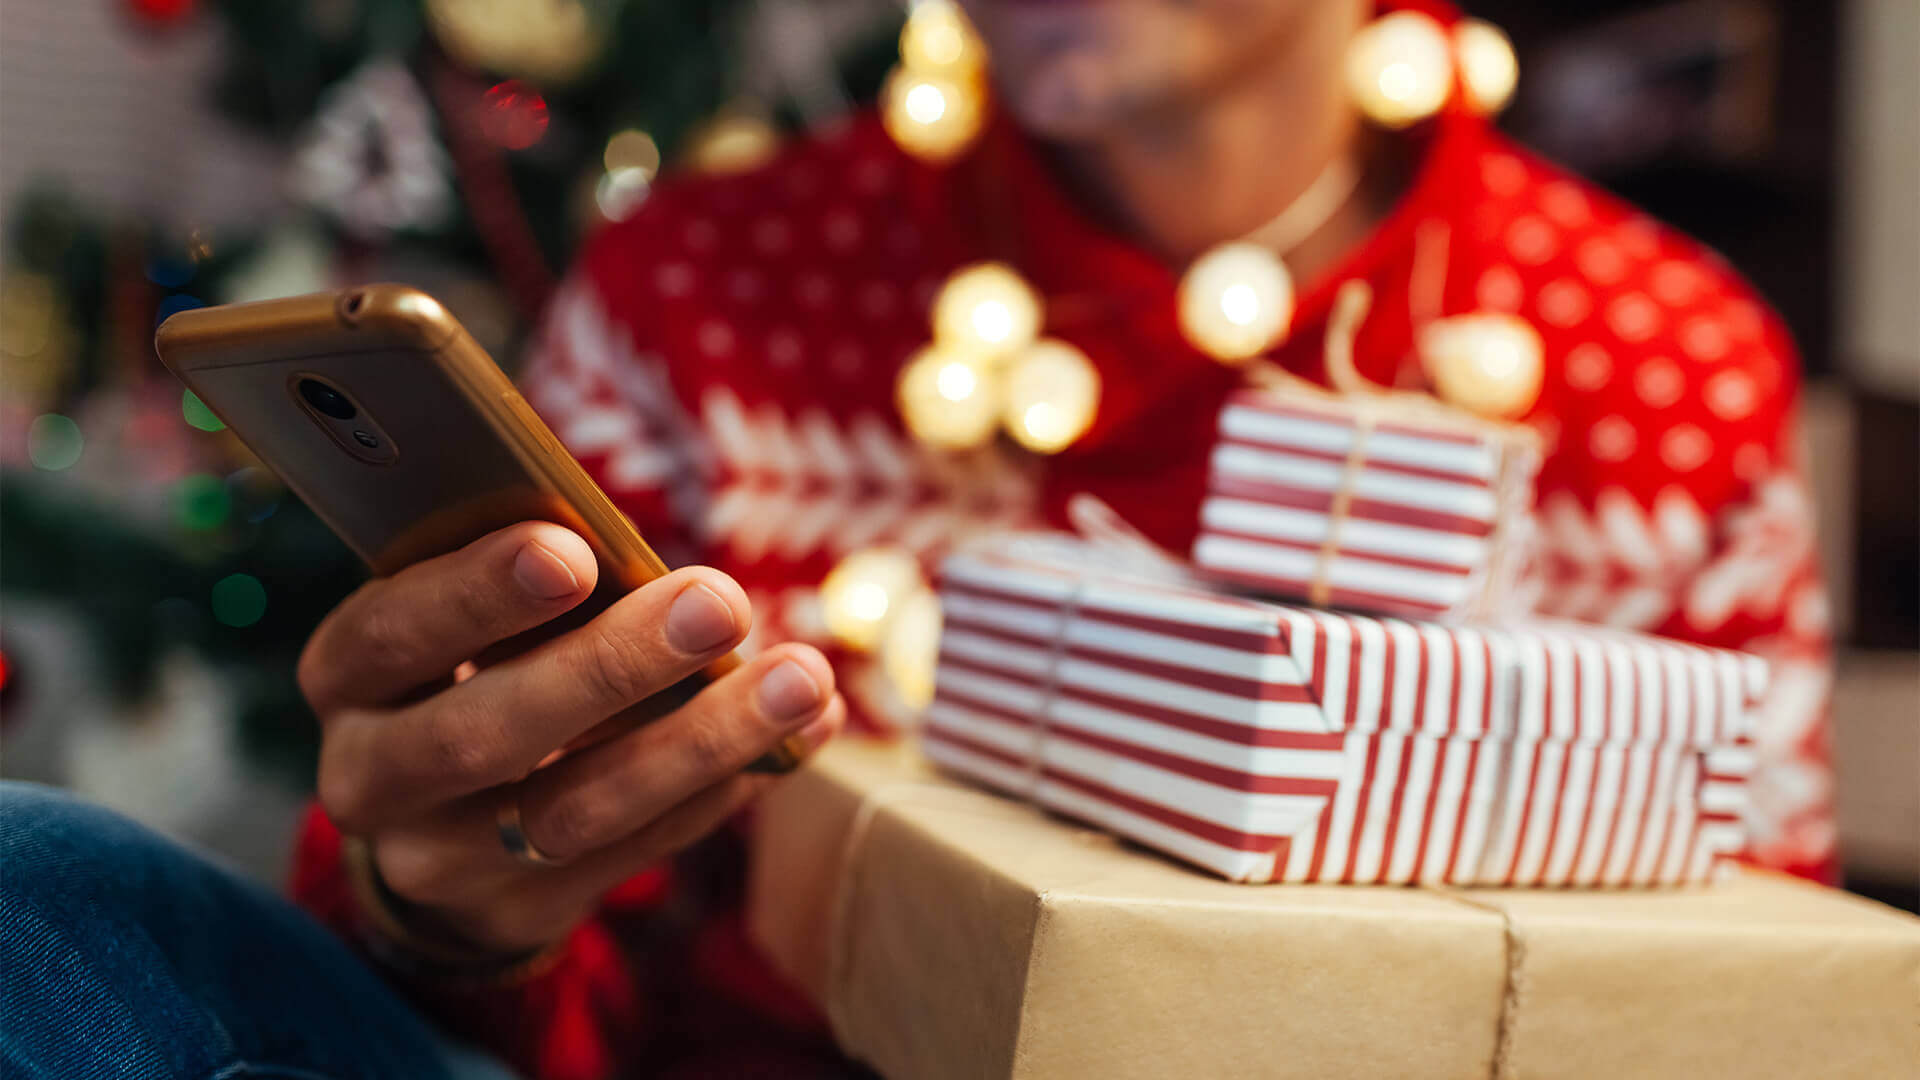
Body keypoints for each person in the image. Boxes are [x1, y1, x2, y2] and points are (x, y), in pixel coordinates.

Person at [2, 1, 1833, 1078]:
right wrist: (440, 910)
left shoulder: (1654, 361)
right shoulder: (705, 291)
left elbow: (1756, 1001)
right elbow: (539, 975)